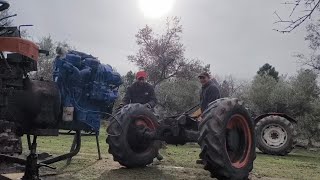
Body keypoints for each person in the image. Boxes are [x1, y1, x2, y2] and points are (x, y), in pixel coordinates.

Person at [121, 71, 163, 161]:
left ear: (145, 79)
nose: (141, 81)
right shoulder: (131, 88)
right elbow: (126, 99)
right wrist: (123, 105)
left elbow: (154, 100)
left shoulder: (149, 87)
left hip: (147, 110)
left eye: (142, 79)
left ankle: (156, 151)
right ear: (136, 78)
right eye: (139, 79)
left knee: (157, 123)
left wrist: (149, 104)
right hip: (133, 111)